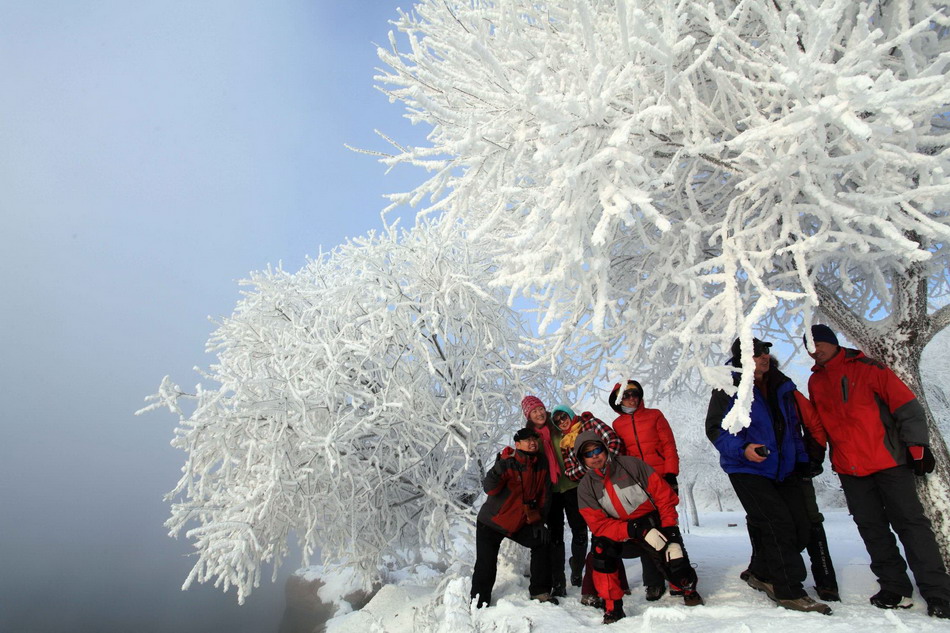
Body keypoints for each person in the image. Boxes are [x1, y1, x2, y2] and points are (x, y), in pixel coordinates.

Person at [803, 324, 950, 619]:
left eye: (819, 343)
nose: (815, 350)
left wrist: (917, 446)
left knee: (911, 525)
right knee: (871, 528)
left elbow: (907, 407)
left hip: (889, 462)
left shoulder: (869, 368)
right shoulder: (815, 381)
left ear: (832, 342)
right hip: (850, 468)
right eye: (809, 346)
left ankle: (938, 592)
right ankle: (894, 587)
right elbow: (819, 424)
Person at [705, 337, 832, 615]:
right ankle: (789, 590)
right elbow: (715, 429)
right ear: (742, 359)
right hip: (746, 468)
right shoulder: (728, 387)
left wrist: (802, 460)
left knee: (801, 526)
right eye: (756, 353)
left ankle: (761, 572)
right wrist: (743, 449)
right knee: (777, 522)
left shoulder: (781, 385)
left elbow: (792, 428)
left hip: (783, 468)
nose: (763, 356)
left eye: (765, 351)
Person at [574, 431, 703, 624]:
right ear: (582, 459)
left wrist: (670, 528)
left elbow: (663, 495)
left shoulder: (631, 465)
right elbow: (598, 525)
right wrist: (632, 529)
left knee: (673, 551)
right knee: (600, 550)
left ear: (605, 448)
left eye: (597, 450)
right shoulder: (585, 487)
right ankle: (613, 607)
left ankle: (686, 586)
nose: (595, 456)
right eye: (588, 454)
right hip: (623, 532)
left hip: (651, 524)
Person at [608, 379, 681, 601]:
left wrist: (671, 473)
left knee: (668, 526)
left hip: (662, 478)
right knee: (648, 531)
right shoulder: (617, 424)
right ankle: (653, 582)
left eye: (634, 394)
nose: (631, 399)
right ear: (619, 401)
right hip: (639, 485)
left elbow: (668, 444)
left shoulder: (655, 415)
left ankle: (678, 577)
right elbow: (620, 455)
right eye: (626, 396)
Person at [470, 426, 557, 608]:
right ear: (517, 444)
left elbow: (545, 496)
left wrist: (539, 522)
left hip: (518, 522)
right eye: (527, 440)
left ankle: (540, 591)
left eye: (534, 439)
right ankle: (479, 601)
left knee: (542, 542)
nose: (532, 443)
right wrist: (497, 468)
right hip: (491, 521)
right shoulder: (508, 462)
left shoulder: (541, 463)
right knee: (486, 563)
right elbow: (489, 488)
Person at [557, 407, 627, 605]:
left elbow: (614, 441)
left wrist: (604, 464)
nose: (562, 421)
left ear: (571, 414)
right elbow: (570, 473)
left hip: (613, 482)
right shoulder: (565, 443)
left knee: (610, 536)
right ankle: (594, 588)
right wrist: (590, 468)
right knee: (601, 536)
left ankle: (613, 584)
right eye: (557, 420)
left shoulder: (590, 424)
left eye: (564, 416)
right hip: (591, 490)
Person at [520, 396, 587, 596]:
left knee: (580, 531)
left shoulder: (558, 425)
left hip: (573, 485)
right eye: (534, 411)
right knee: (555, 537)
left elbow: (576, 428)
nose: (539, 413)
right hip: (551, 492)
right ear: (528, 416)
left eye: (540, 409)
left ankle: (577, 566)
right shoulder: (532, 438)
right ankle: (559, 583)